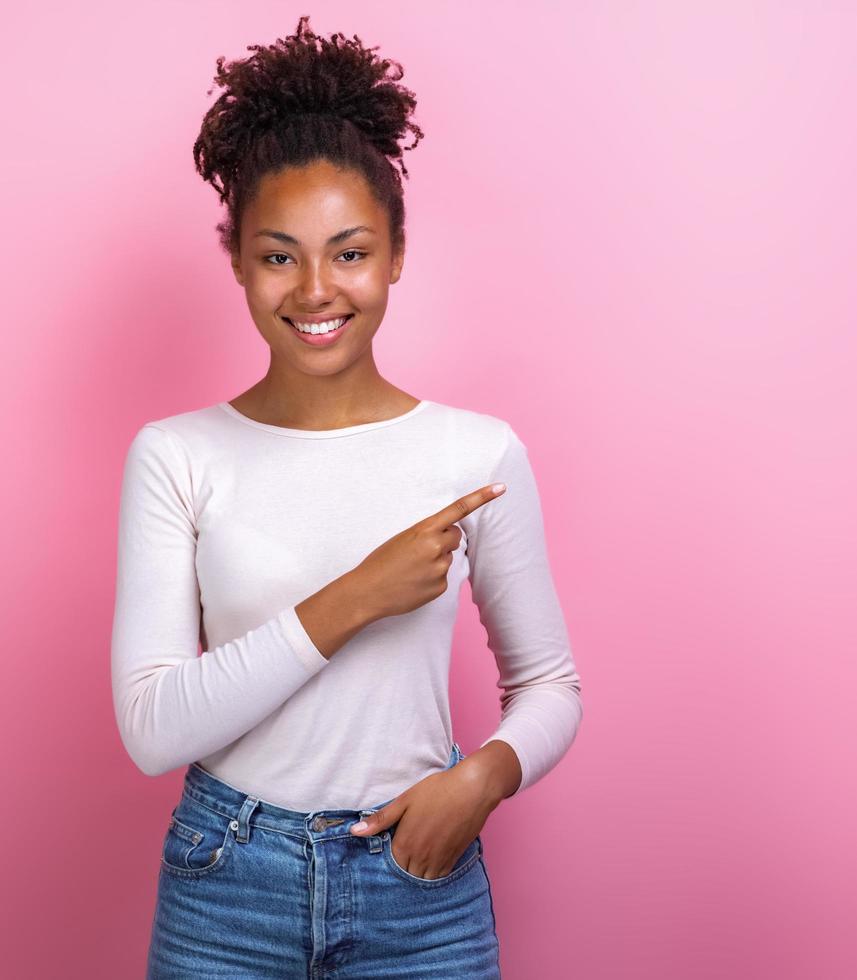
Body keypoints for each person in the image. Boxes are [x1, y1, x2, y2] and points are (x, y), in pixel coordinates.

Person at [110, 17, 582, 978]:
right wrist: (357, 596)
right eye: (280, 255)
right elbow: (154, 730)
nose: (317, 289)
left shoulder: (473, 452)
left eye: (351, 252)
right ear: (237, 260)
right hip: (226, 881)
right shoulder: (177, 457)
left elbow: (550, 686)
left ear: (396, 255)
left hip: (421, 883)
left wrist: (481, 780)